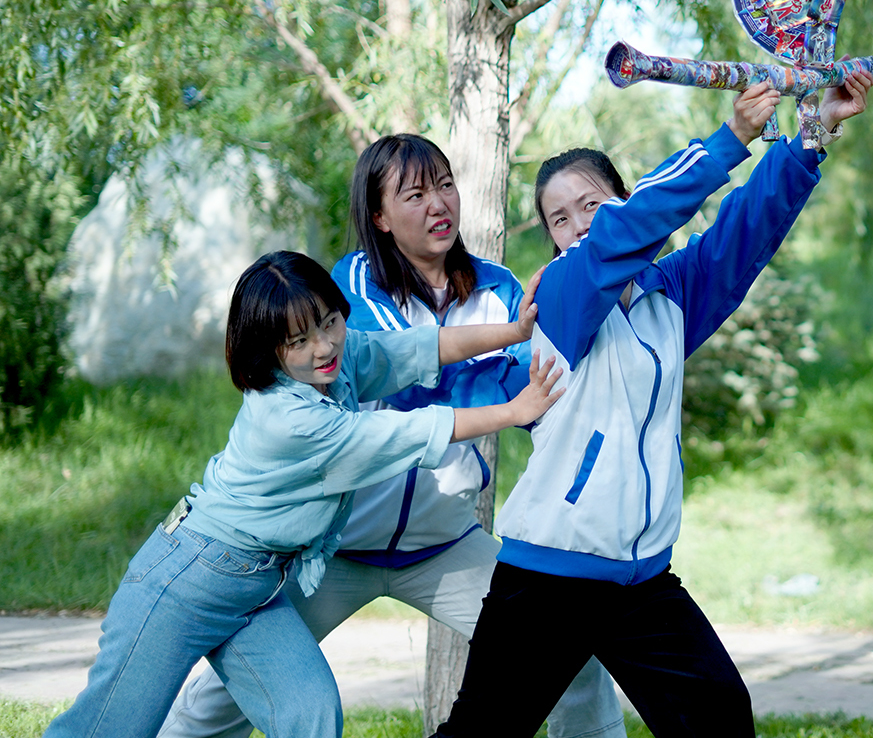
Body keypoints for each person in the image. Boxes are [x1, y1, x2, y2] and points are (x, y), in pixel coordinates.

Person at [428, 76, 873, 738]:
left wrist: (813, 131)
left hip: (641, 582)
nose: (579, 224)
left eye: (591, 204)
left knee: (719, 715)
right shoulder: (563, 297)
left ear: (620, 199)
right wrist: (732, 138)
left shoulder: (669, 296)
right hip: (548, 576)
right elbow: (621, 235)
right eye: (560, 218)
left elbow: (743, 232)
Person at [158, 135, 626, 738]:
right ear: (379, 217)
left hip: (444, 544)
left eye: (445, 186)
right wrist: (504, 389)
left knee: (570, 657)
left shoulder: (502, 290)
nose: (438, 204)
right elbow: (408, 373)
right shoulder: (349, 287)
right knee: (224, 695)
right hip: (333, 551)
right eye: (415, 194)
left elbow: (536, 383)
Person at [47, 250, 563, 738]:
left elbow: (416, 349)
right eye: (298, 340)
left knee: (309, 712)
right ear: (267, 349)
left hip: (259, 585)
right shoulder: (290, 419)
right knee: (108, 729)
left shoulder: (332, 363)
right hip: (189, 580)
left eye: (329, 322)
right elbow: (405, 433)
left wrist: (513, 332)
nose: (323, 346)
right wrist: (513, 411)